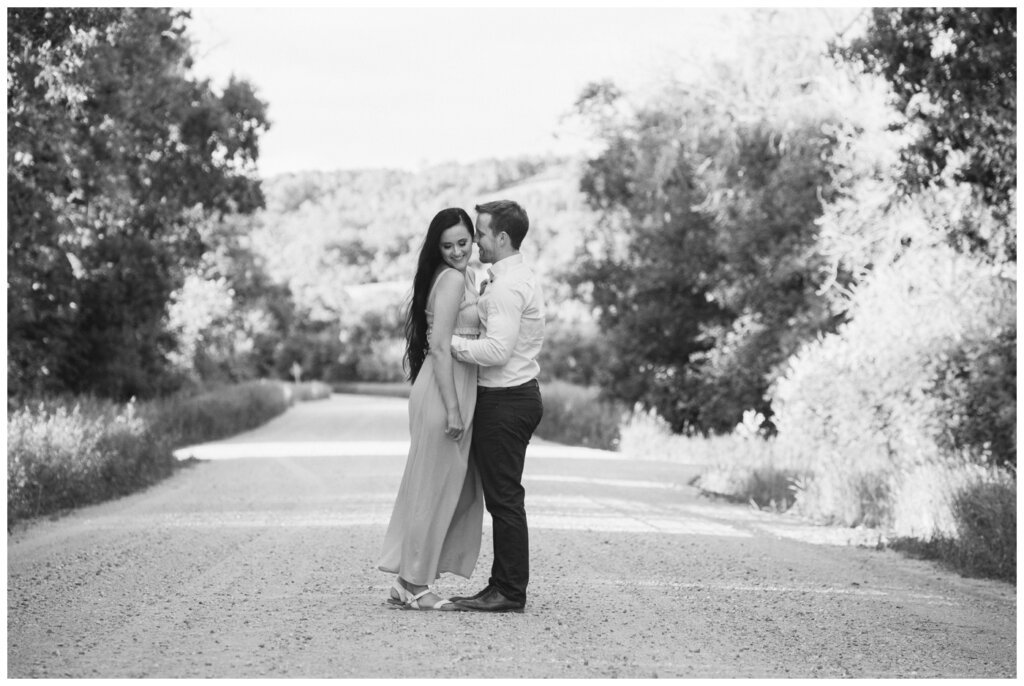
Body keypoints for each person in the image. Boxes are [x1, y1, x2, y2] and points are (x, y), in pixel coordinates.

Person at [377, 207, 484, 611]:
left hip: (450, 385)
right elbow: (439, 347)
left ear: (473, 239)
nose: (458, 251)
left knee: (443, 489)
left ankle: (410, 580)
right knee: (432, 490)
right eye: (448, 245)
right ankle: (414, 584)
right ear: (437, 248)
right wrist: (454, 410)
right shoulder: (454, 278)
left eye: (463, 242)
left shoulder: (463, 277)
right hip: (445, 391)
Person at [448, 200, 545, 613]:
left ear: (502, 238)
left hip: (506, 399)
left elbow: (497, 349)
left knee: (504, 499)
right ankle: (502, 585)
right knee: (504, 497)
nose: (476, 242)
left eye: (482, 234)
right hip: (515, 395)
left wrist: (448, 346)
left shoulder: (505, 287)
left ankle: (508, 590)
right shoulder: (512, 276)